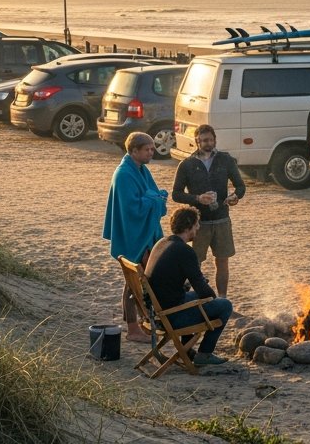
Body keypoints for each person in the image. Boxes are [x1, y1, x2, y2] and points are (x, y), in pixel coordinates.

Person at [144, 207, 235, 366]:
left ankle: (186, 349)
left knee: (194, 296)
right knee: (225, 305)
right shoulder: (185, 251)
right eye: (197, 224)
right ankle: (204, 354)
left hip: (155, 311)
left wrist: (192, 285)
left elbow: (169, 278)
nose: (199, 228)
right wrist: (213, 300)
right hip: (170, 316)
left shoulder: (163, 242)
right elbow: (203, 290)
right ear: (189, 226)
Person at [102, 132, 168, 339]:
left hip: (143, 233)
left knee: (140, 281)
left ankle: (139, 322)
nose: (152, 152)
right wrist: (154, 199)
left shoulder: (141, 170)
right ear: (134, 151)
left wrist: (153, 197)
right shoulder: (124, 174)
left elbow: (155, 194)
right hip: (132, 236)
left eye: (152, 148)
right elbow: (132, 208)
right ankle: (132, 329)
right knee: (133, 283)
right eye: (147, 149)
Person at [171, 124, 246, 297]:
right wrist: (197, 198)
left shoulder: (225, 160)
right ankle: (189, 298)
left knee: (222, 261)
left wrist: (235, 197)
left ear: (215, 140)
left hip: (222, 219)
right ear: (197, 141)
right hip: (198, 223)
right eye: (204, 140)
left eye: (211, 140)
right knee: (194, 263)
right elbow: (176, 194)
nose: (208, 143)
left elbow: (240, 186)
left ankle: (222, 298)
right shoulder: (187, 165)